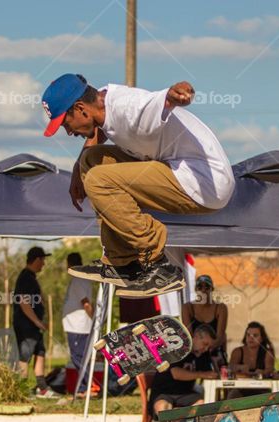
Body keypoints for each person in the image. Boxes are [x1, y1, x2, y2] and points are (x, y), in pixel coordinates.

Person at [43, 73, 235, 298]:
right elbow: (98, 133)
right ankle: (122, 262)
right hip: (171, 168)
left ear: (80, 109)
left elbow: (159, 103)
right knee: (90, 160)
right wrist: (77, 168)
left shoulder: (129, 107)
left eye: (66, 123)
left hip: (204, 182)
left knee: (98, 180)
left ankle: (159, 265)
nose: (68, 132)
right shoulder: (101, 101)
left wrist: (177, 93)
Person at [150, 325, 219, 415]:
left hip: (186, 393)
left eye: (209, 347)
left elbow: (210, 374)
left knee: (202, 406)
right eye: (205, 344)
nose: (206, 349)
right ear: (196, 336)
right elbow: (176, 373)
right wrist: (201, 374)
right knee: (163, 409)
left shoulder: (204, 354)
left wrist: (214, 366)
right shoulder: (178, 349)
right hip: (164, 392)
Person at [13, 246, 54, 397]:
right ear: (36, 260)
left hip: (34, 326)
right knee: (25, 356)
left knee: (40, 352)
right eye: (42, 260)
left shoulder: (31, 278)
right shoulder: (25, 277)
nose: (43, 264)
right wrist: (37, 322)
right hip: (26, 326)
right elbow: (24, 302)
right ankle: (21, 389)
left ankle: (42, 387)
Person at [62, 252, 95, 390]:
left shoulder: (78, 280)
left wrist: (94, 321)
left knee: (78, 357)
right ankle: (85, 385)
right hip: (77, 326)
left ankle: (88, 385)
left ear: (69, 265)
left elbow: (86, 303)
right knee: (80, 356)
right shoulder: (82, 279)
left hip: (78, 326)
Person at [181, 274, 228, 368]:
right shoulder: (188, 308)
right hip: (195, 350)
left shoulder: (220, 308)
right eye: (200, 287)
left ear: (212, 289)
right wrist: (199, 351)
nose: (203, 290)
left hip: (213, 349)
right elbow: (189, 338)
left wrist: (207, 349)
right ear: (195, 290)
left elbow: (220, 337)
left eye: (207, 287)